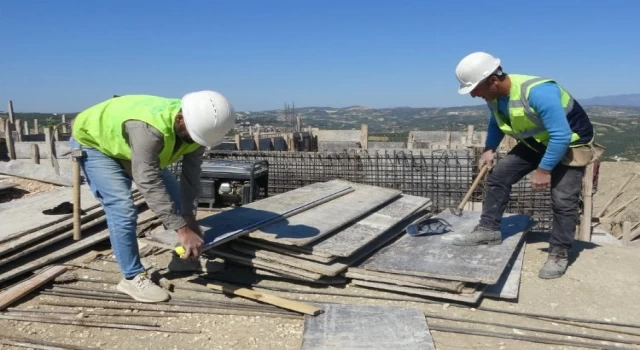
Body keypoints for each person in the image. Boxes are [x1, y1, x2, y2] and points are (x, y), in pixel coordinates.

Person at [70, 91, 235, 302]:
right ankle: (131, 277)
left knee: (177, 199)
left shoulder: (198, 130)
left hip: (131, 143)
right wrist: (182, 229)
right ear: (179, 118)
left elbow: (191, 176)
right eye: (191, 136)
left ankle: (185, 258)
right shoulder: (149, 129)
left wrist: (190, 218)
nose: (193, 142)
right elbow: (147, 180)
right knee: (122, 208)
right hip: (95, 143)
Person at [452, 52, 598, 279]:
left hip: (570, 142)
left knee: (563, 199)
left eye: (475, 88)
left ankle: (559, 252)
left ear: (493, 80)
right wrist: (489, 148)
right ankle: (488, 230)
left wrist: (544, 169)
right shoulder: (495, 97)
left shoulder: (538, 92)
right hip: (538, 140)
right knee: (499, 176)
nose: (472, 94)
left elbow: (560, 135)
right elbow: (497, 122)